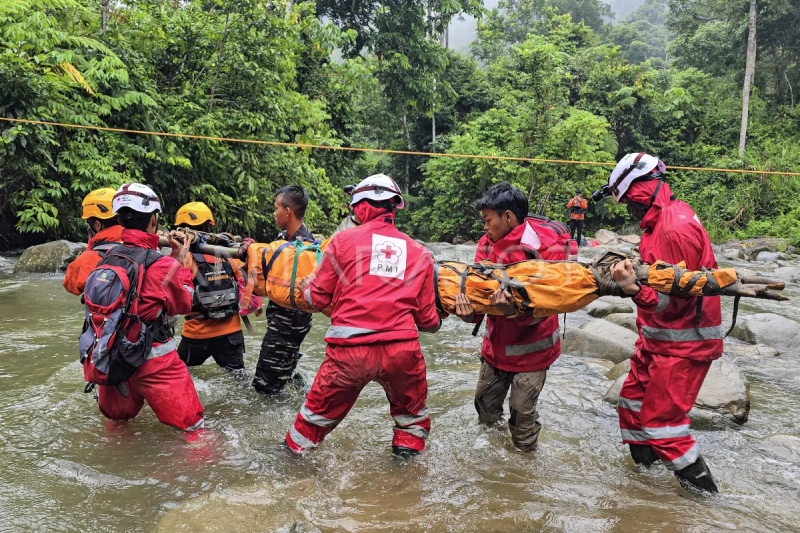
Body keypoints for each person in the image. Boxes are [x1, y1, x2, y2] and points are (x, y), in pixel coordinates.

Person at [284, 174, 441, 457]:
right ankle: (405, 484)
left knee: (312, 422)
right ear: (394, 208)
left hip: (350, 353)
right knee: (412, 420)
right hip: (403, 353)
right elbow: (429, 322)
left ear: (362, 207)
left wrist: (305, 289)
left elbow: (317, 298)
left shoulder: (341, 241)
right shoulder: (421, 253)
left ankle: (289, 465)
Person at [605, 152, 722, 493]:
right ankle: (647, 488)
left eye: (628, 201)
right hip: (659, 339)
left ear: (640, 191)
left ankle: (706, 500)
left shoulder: (673, 230)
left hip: (684, 343)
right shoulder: (660, 222)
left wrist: (631, 288)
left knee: (663, 424)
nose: (628, 209)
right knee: (631, 405)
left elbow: (671, 299)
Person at [454, 182, 566, 452]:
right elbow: (478, 294)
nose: (484, 227)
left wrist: (514, 312)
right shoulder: (486, 245)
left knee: (522, 417)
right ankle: (492, 463)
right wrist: (469, 315)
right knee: (485, 410)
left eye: (487, 220)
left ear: (508, 217)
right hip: (496, 347)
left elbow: (553, 300)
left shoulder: (547, 248)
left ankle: (524, 471)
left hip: (534, 351)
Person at [96, 183, 205, 431]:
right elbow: (185, 303)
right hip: (154, 363)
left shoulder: (106, 258)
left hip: (111, 358)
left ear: (120, 219)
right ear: (154, 220)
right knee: (193, 430)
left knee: (117, 425)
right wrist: (181, 262)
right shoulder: (163, 265)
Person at [174, 202, 261, 372]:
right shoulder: (228, 254)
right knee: (238, 380)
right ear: (209, 226)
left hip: (196, 334)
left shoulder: (182, 258)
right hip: (231, 333)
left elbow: (177, 299)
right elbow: (248, 286)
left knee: (181, 374)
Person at [252, 186, 314, 394]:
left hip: (287, 326)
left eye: (277, 208)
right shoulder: (285, 239)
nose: (274, 213)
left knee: (265, 388)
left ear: (288, 211)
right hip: (286, 324)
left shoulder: (303, 248)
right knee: (283, 377)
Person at [63, 188, 124, 295]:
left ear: (97, 225)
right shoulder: (143, 245)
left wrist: (90, 248)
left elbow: (70, 286)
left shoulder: (89, 258)